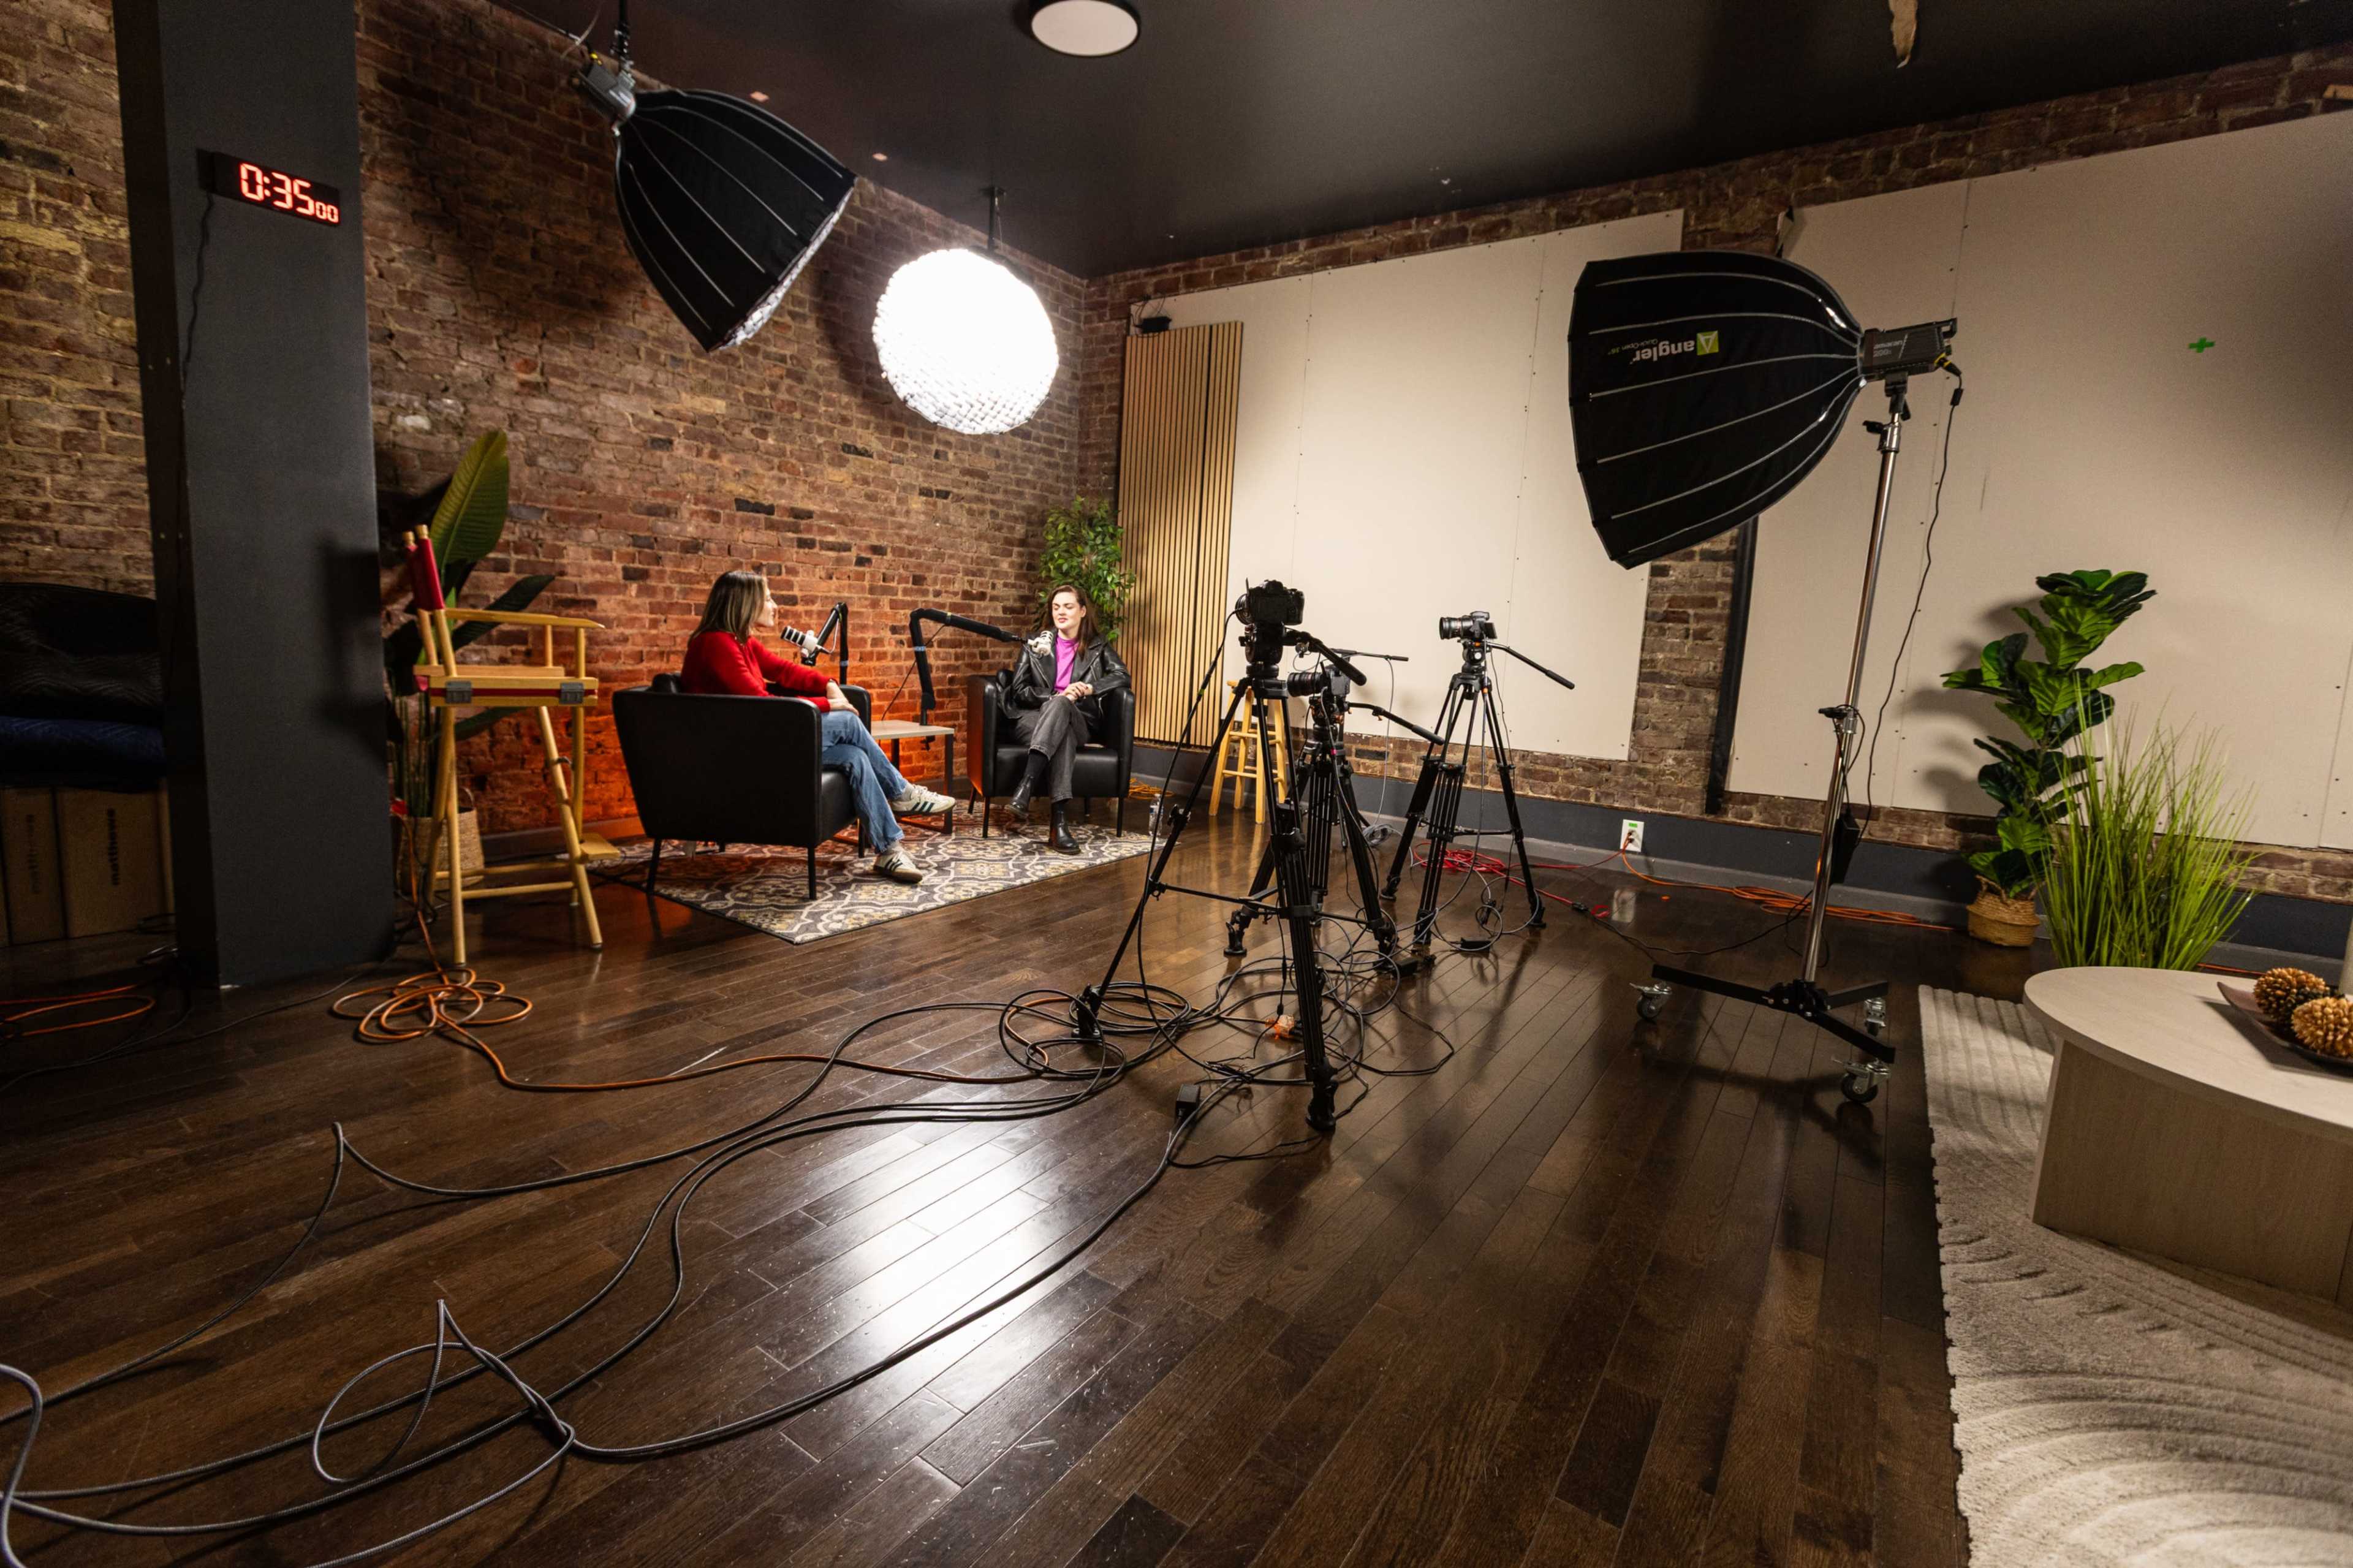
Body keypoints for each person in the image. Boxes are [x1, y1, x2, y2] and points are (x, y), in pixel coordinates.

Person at [681, 570, 953, 885]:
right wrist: (829, 704)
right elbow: (760, 706)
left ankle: (889, 850)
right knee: (848, 720)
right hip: (740, 755)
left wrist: (828, 684)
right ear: (745, 603)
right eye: (767, 598)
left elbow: (785, 671)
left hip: (761, 741)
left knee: (855, 757)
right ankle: (901, 792)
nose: (774, 605)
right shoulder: (715, 644)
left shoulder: (742, 643)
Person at [1001, 583, 1131, 854]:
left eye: (1068, 607)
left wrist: (1088, 688)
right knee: (1062, 729)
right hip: (1035, 719)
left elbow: (1122, 675)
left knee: (1065, 711)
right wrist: (1053, 698)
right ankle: (1059, 824)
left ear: (1082, 611)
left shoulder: (1099, 646)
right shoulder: (1035, 644)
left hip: (1079, 718)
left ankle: (1027, 784)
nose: (1061, 612)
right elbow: (1020, 690)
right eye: (1056, 607)